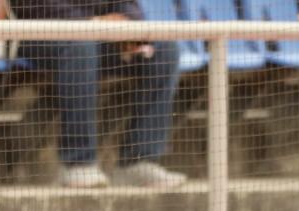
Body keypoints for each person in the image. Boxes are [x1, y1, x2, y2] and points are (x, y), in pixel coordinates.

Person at [13, 0, 184, 189]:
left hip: (96, 35)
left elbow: (127, 3)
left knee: (165, 50)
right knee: (81, 46)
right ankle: (78, 163)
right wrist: (91, 21)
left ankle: (138, 162)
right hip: (38, 31)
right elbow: (31, 5)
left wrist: (127, 25)